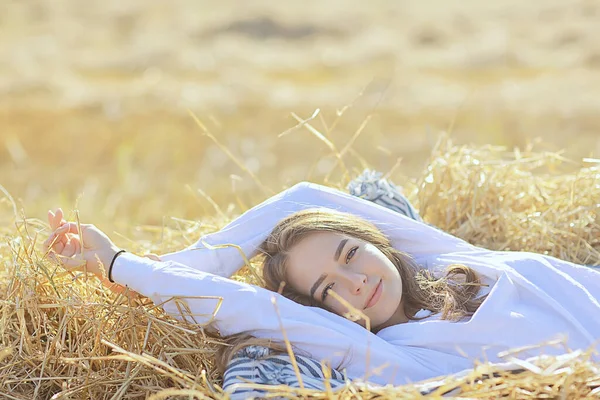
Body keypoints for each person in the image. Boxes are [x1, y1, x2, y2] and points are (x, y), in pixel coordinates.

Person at [43, 180, 600, 391]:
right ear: (323, 314)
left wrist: (203, 254)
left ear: (377, 239)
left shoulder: (453, 258)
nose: (357, 282)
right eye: (327, 288)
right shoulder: (393, 357)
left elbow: (302, 197)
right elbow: (245, 307)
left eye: (351, 253)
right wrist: (121, 263)